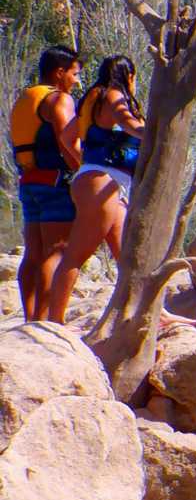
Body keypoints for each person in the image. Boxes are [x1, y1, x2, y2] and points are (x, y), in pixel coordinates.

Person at [46, 55, 143, 325]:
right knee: (76, 254)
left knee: (128, 257)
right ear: (128, 76)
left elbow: (67, 137)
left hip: (100, 182)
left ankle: (153, 313)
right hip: (102, 185)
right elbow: (129, 125)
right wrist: (158, 131)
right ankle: (55, 323)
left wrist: (85, 165)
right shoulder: (113, 94)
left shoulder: (93, 100)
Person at [11, 45, 82, 321]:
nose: (75, 81)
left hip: (29, 181)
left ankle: (30, 318)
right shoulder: (58, 100)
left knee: (33, 254)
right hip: (55, 182)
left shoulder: (25, 98)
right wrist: (85, 169)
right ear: (59, 72)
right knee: (57, 251)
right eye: (74, 74)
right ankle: (44, 321)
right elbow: (67, 140)